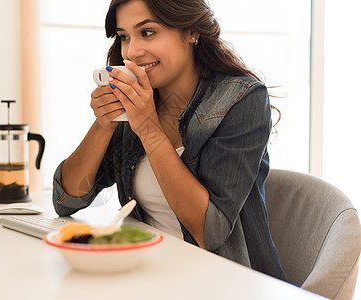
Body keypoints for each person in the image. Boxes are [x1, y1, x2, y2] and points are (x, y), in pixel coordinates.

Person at [52, 0, 286, 281]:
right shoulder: (140, 100)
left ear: (191, 32)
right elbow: (66, 201)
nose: (132, 52)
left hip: (226, 281)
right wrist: (105, 123)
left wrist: (149, 129)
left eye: (148, 32)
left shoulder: (241, 100)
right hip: (148, 273)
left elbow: (209, 231)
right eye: (124, 36)